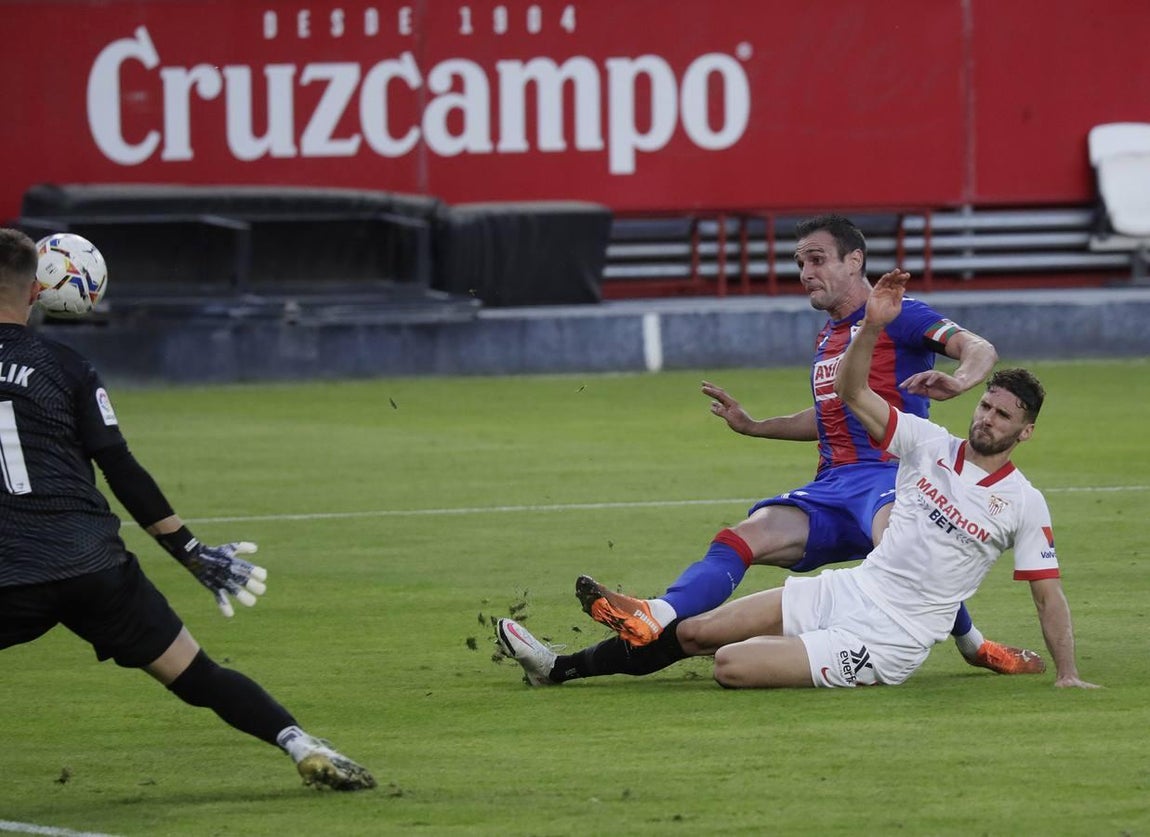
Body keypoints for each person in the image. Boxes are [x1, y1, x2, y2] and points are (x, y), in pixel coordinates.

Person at [497, 214, 1043, 685]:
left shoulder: (899, 312)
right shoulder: (828, 338)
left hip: (890, 475)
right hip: (834, 485)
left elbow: (978, 347)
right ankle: (645, 618)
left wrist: (962, 381)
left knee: (912, 561)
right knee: (740, 541)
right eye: (799, 261)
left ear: (855, 261)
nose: (805, 272)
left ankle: (975, 645)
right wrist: (758, 426)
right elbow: (832, 417)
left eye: (817, 259)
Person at [0, 228, 375, 791]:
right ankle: (299, 743)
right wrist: (191, 551)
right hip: (96, 568)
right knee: (198, 674)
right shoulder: (69, 366)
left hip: (10, 572)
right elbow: (120, 467)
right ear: (36, 292)